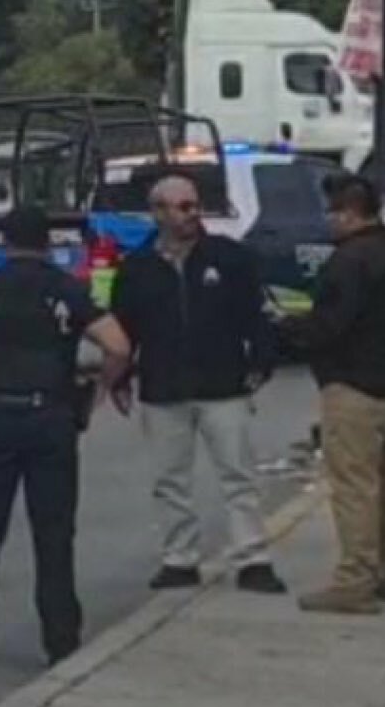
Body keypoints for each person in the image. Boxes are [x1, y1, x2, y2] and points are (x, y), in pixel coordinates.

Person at [0, 205, 131, 669]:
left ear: (4, 242)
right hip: (51, 418)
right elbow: (118, 346)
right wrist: (99, 391)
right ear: (49, 244)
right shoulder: (68, 291)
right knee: (54, 533)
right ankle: (60, 637)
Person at [108, 174, 287, 596]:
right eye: (182, 207)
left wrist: (261, 362)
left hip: (223, 384)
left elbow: (258, 314)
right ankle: (179, 559)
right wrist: (120, 377)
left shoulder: (230, 258)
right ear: (158, 213)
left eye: (194, 205)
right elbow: (123, 328)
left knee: (238, 475)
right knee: (169, 479)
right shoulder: (137, 269)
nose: (192, 214)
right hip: (163, 387)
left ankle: (253, 558)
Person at [275, 173, 385, 615]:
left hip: (352, 384)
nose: (329, 221)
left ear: (348, 213)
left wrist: (287, 328)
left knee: (354, 486)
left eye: (333, 212)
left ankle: (355, 579)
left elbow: (329, 325)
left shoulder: (348, 262)